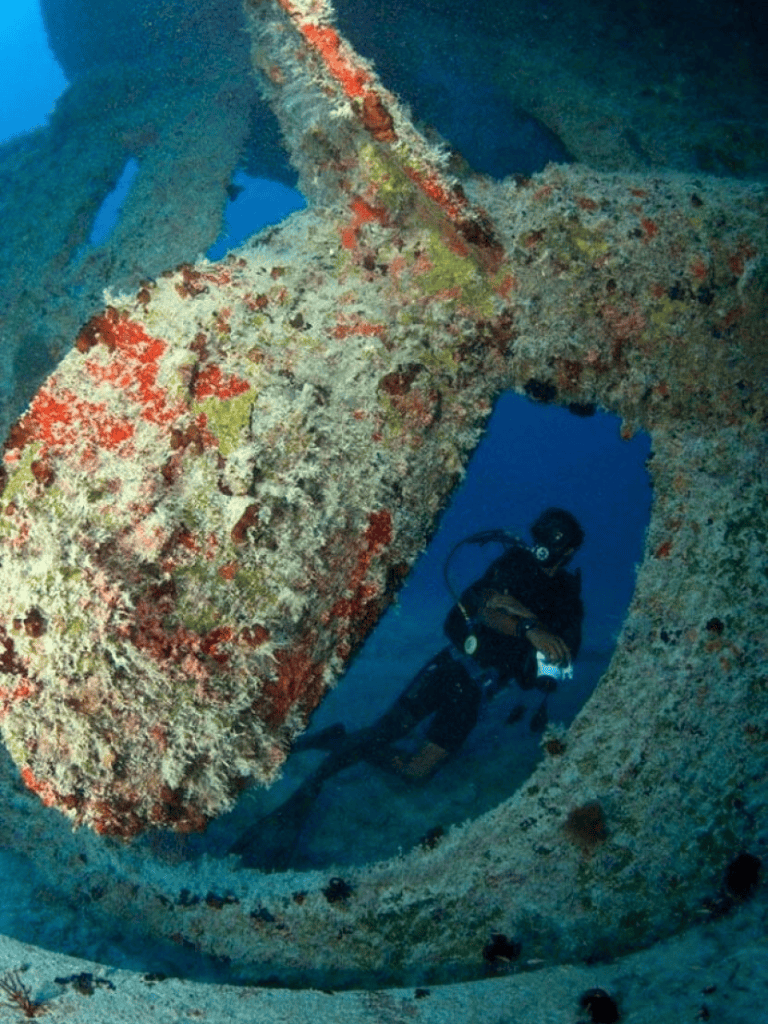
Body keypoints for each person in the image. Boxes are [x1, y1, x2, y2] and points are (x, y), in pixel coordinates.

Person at [229, 507, 584, 867]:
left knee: (417, 772)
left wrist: (548, 644)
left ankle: (338, 739)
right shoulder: (514, 564)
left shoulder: (568, 598)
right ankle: (304, 797)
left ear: (569, 551)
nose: (542, 548)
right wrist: (527, 629)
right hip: (450, 668)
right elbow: (485, 606)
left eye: (553, 542)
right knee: (385, 731)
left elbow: (566, 653)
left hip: (478, 692)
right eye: (540, 537)